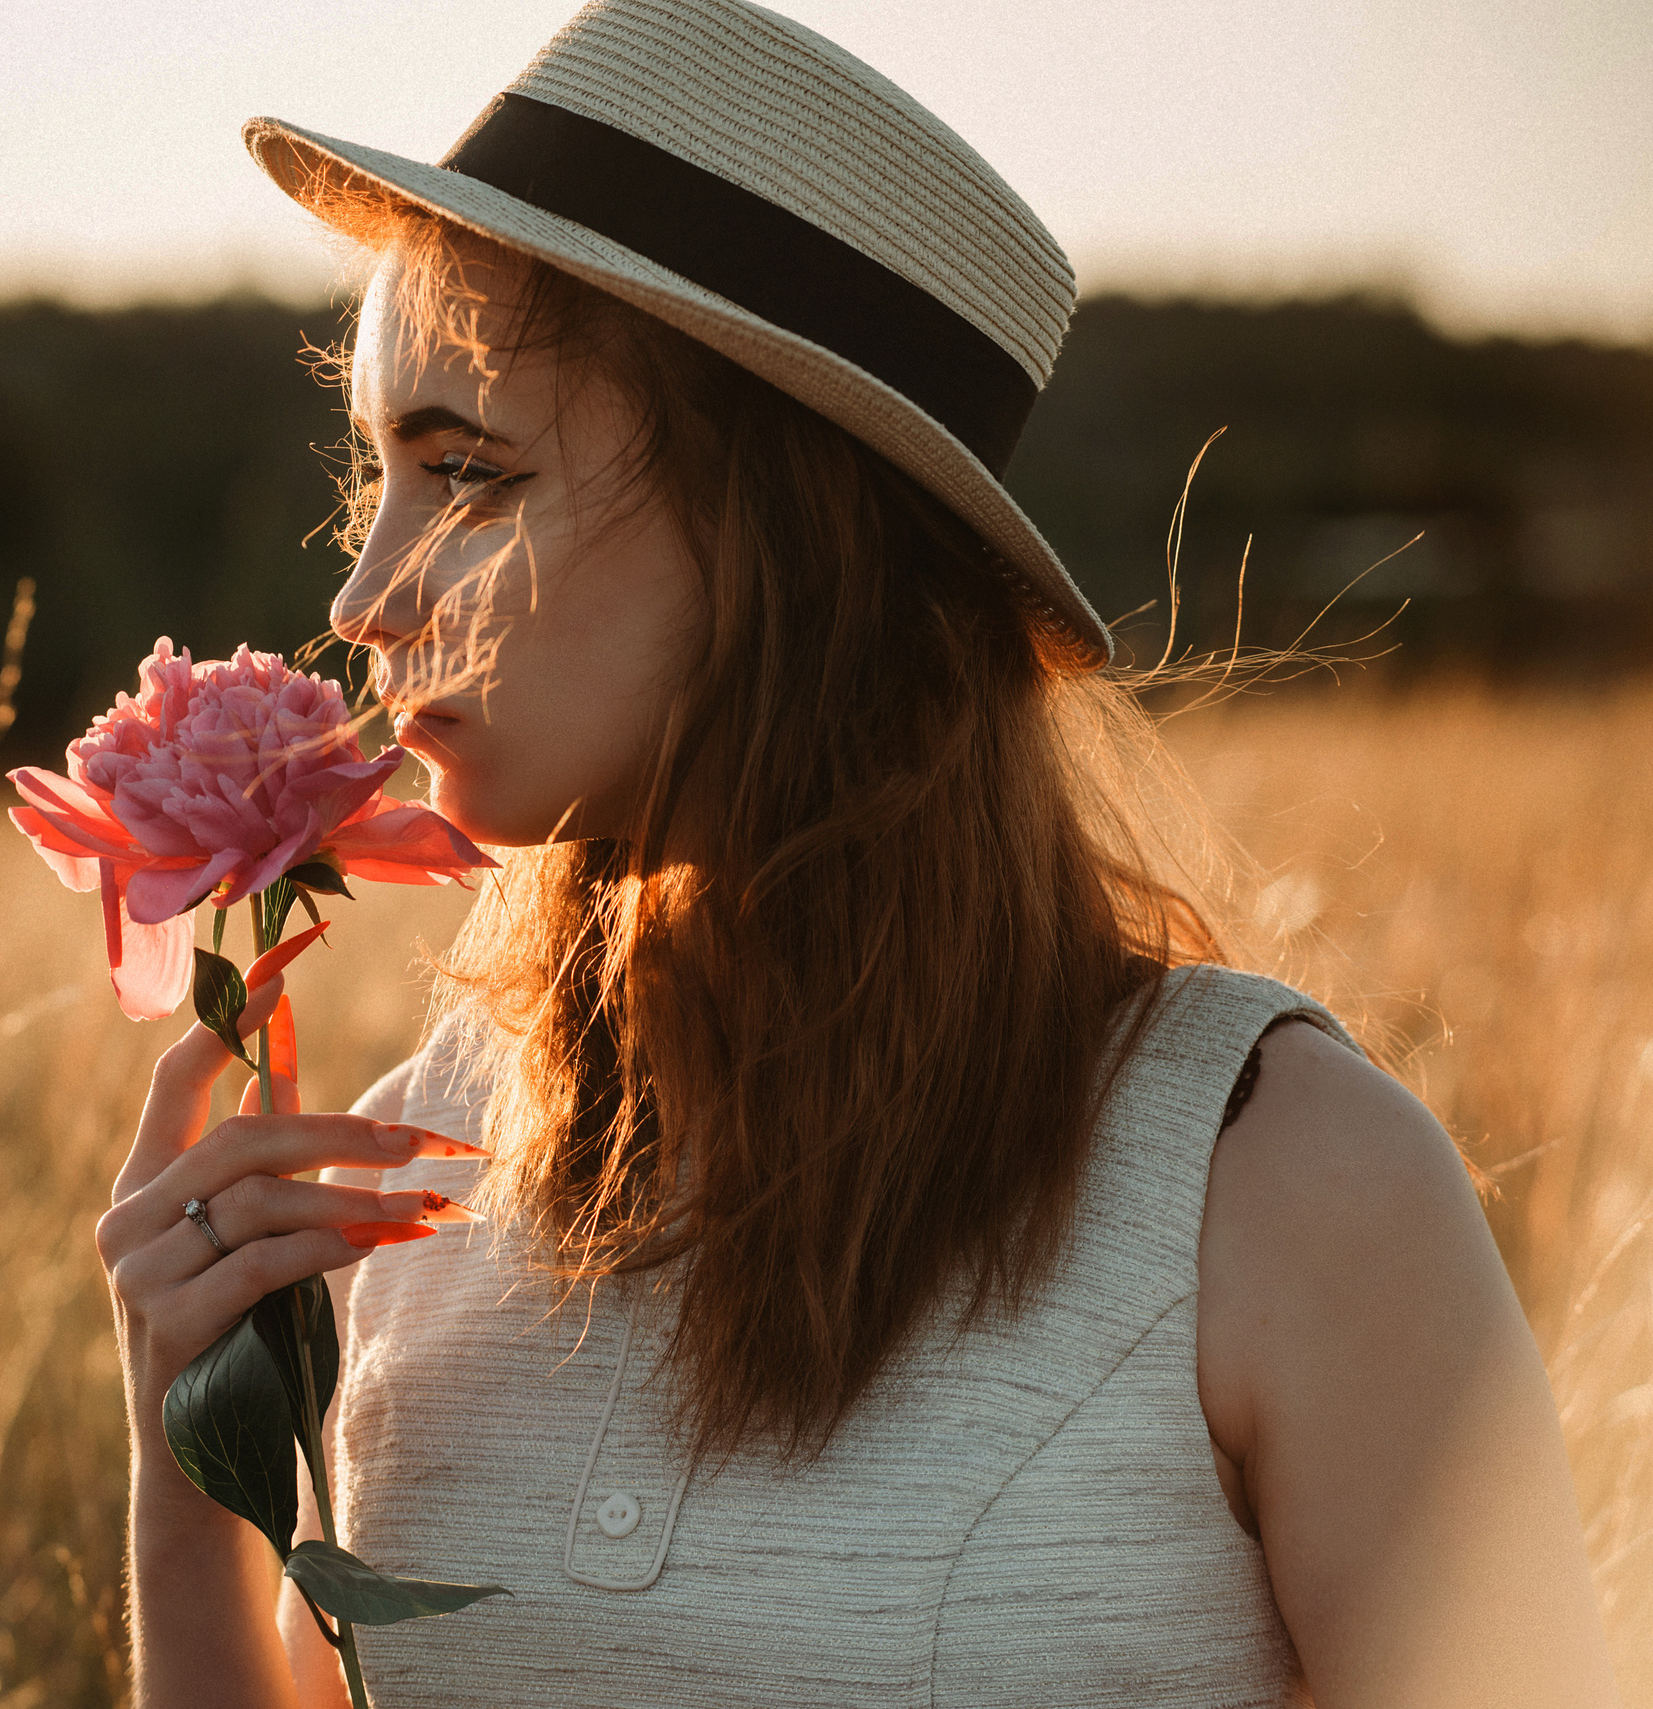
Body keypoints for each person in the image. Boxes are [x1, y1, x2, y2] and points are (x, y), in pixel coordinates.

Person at [92, 2, 1621, 1703]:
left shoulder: (1282, 1187)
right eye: (377, 473)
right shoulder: (409, 1172)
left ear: (784, 530)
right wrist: (189, 1447)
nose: (363, 593)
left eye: (469, 472)